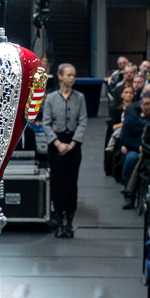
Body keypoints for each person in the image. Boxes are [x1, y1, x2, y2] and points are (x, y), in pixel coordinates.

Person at [40, 62, 86, 238]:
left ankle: (69, 223)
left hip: (73, 144)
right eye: (69, 75)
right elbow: (46, 123)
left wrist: (73, 143)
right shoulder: (51, 98)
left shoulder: (80, 98)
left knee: (71, 183)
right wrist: (57, 143)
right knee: (57, 183)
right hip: (56, 144)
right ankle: (58, 221)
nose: (72, 78)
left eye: (74, 75)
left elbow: (83, 121)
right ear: (60, 77)